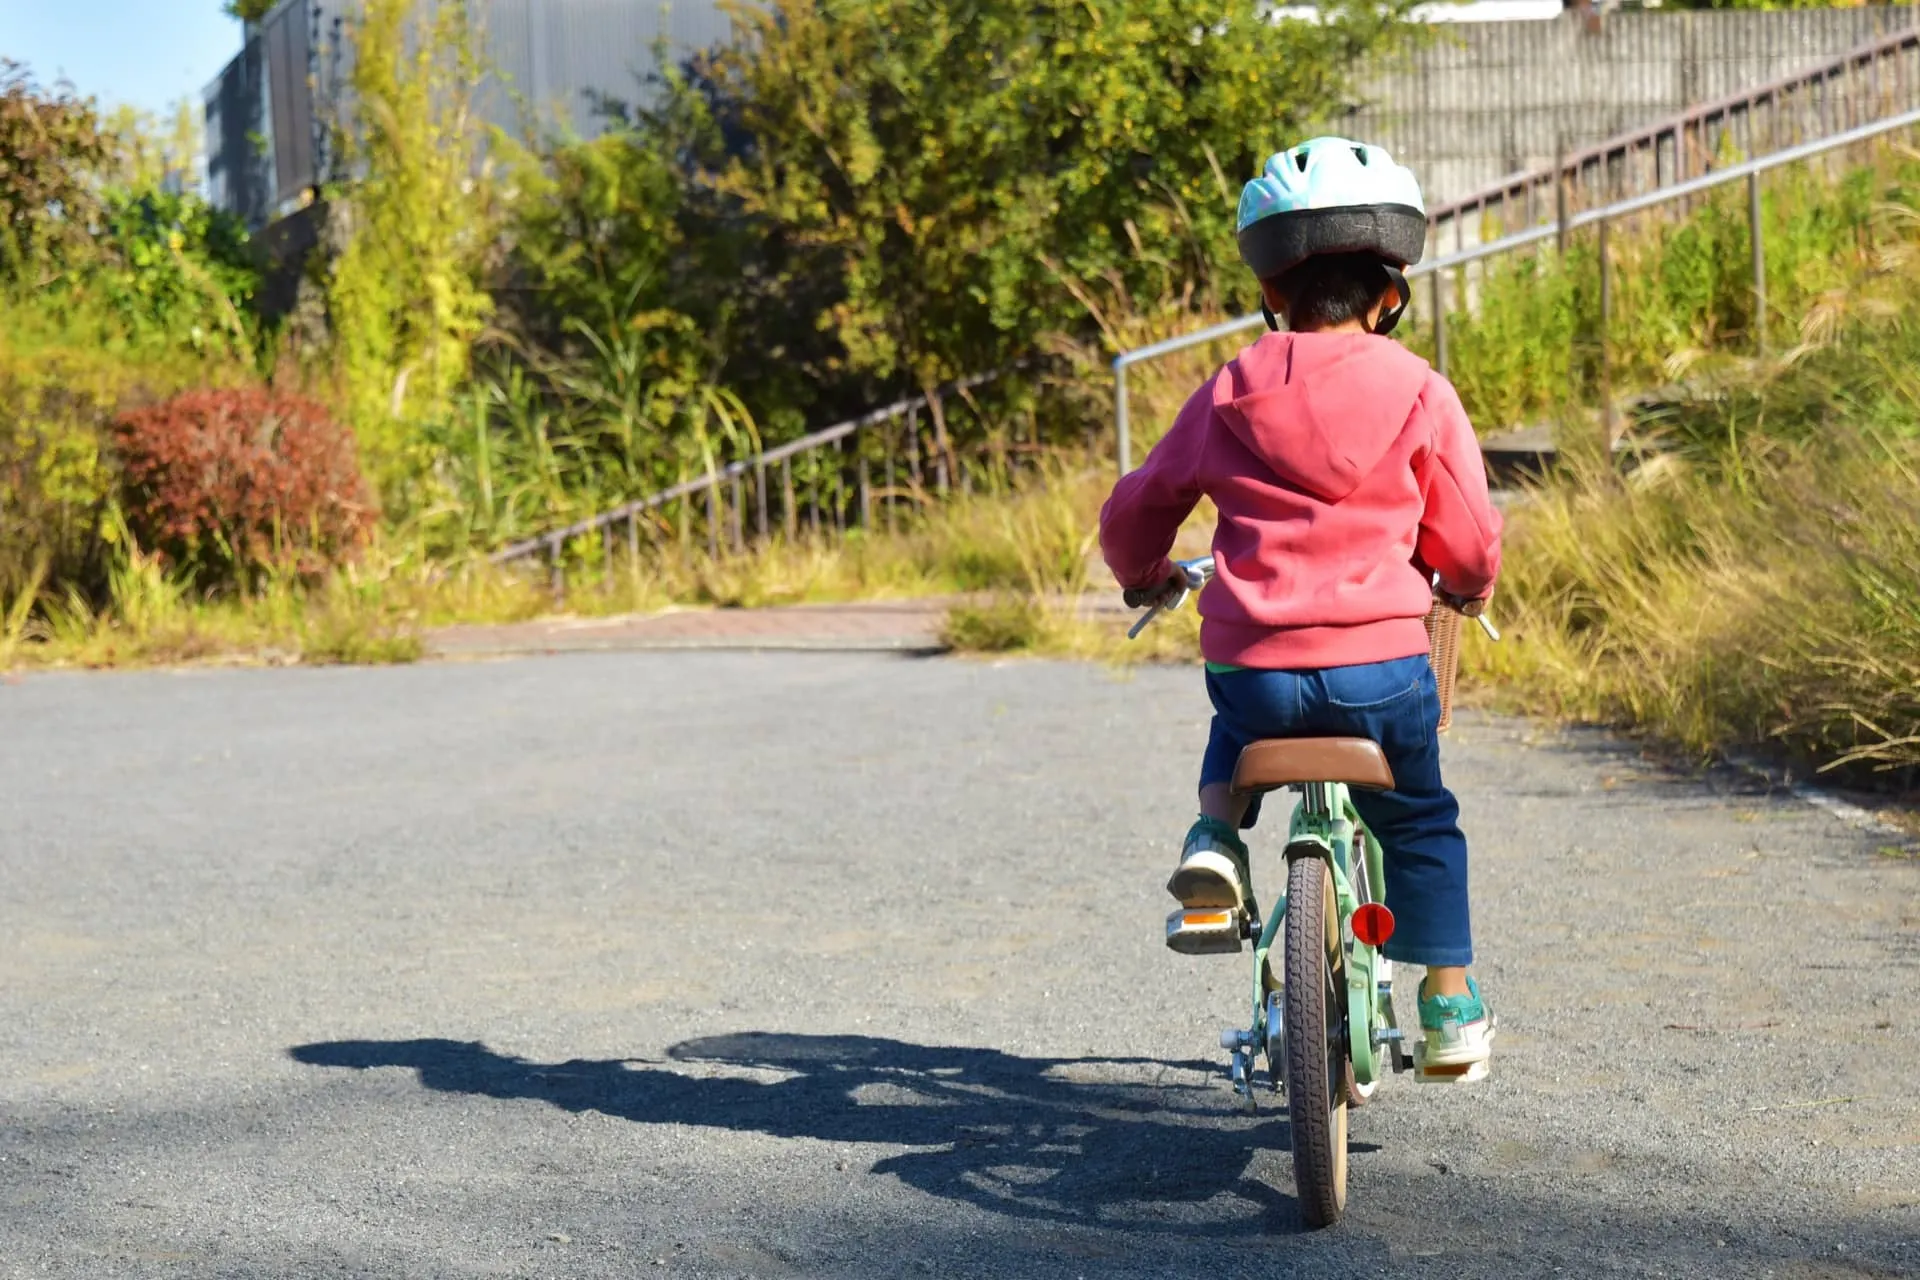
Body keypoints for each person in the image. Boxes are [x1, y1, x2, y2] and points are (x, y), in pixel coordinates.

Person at [1098, 137, 1503, 1074]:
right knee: (1419, 816)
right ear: (1389, 295)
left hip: (1257, 672)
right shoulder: (1421, 390)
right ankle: (1447, 1006)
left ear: (1272, 292)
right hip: (1381, 674)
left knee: (1232, 739)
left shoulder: (1229, 389)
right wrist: (1466, 586)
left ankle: (1214, 846)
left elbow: (1139, 508)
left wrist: (1146, 573)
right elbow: (1470, 534)